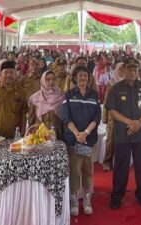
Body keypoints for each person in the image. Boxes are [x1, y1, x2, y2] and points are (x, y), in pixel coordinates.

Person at [105, 57, 141, 209]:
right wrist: (130, 122)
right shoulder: (116, 88)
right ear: (124, 70)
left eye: (135, 69)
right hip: (122, 133)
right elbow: (112, 110)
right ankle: (117, 196)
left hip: (140, 134)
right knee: (121, 166)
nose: (133, 72)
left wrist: (139, 122)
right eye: (130, 69)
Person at [61, 66, 101, 216]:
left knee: (88, 170)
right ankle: (74, 200)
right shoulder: (69, 95)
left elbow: (97, 118)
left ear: (88, 78)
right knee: (75, 171)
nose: (82, 79)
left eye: (85, 76)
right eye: (80, 76)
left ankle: (87, 199)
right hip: (74, 140)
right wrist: (78, 134)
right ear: (75, 78)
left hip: (88, 140)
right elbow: (67, 118)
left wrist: (86, 133)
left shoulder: (94, 95)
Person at [29, 70, 65, 140]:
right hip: (39, 136)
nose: (51, 81)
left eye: (53, 79)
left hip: (57, 134)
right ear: (42, 81)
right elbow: (31, 118)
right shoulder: (36, 97)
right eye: (48, 79)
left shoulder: (62, 96)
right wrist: (30, 135)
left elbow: (65, 118)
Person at [102, 62, 124, 171]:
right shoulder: (111, 83)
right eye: (120, 68)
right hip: (112, 116)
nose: (122, 71)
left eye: (124, 69)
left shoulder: (128, 82)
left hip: (125, 117)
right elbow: (106, 100)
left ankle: (121, 162)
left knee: (124, 141)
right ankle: (107, 162)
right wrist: (104, 117)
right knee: (110, 140)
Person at [20, 58, 42, 126]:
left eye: (36, 65)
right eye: (32, 65)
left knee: (37, 126)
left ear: (39, 67)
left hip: (39, 105)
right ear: (29, 67)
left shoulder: (42, 78)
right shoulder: (23, 78)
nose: (34, 67)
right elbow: (19, 92)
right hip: (26, 105)